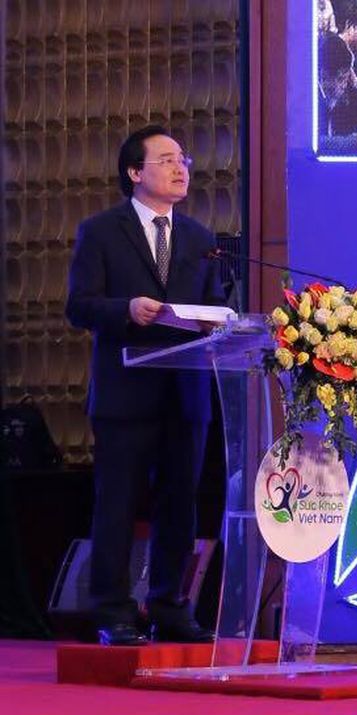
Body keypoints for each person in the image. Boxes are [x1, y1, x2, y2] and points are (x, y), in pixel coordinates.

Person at [66, 125, 225, 646]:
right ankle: (112, 612)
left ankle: (169, 607)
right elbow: (79, 307)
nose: (181, 169)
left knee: (180, 505)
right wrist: (126, 309)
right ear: (135, 172)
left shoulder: (201, 239)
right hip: (125, 394)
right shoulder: (100, 232)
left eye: (183, 159)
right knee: (118, 504)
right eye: (166, 160)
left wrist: (219, 323)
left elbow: (215, 307)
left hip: (185, 394)